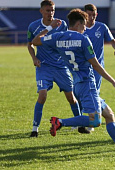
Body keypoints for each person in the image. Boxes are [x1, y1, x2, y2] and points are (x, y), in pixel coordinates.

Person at [32, 8, 115, 156]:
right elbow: (96, 65)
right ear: (78, 24)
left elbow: (35, 41)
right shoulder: (83, 39)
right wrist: (114, 83)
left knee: (109, 115)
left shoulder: (57, 37)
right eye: (84, 26)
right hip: (87, 84)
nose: (85, 29)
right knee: (95, 121)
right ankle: (60, 122)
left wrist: (50, 28)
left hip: (76, 84)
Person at [27, 0, 88, 137]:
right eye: (48, 10)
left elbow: (68, 40)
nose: (51, 13)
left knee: (71, 98)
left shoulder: (62, 25)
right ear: (41, 11)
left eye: (53, 10)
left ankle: (80, 125)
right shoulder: (34, 26)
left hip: (61, 66)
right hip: (44, 67)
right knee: (42, 95)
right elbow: (31, 44)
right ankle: (34, 129)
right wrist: (34, 58)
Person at [83, 3, 115, 132]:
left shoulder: (101, 27)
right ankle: (84, 119)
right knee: (83, 93)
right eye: (89, 15)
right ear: (85, 15)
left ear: (96, 14)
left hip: (98, 67)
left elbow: (112, 39)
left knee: (94, 92)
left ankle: (89, 122)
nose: (92, 17)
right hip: (83, 66)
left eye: (94, 15)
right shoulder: (81, 29)